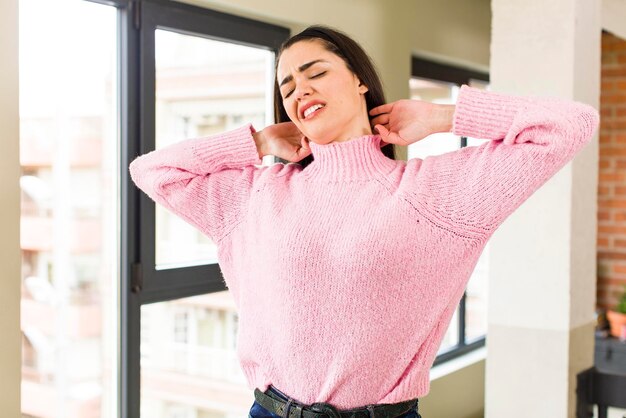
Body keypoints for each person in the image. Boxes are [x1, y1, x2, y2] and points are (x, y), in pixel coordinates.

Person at [128, 24, 599, 418]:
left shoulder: (434, 193)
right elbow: (150, 171)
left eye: (315, 72)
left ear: (359, 81)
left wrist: (442, 117)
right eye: (287, 85)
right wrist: (256, 143)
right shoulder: (255, 195)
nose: (299, 89)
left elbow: (569, 124)